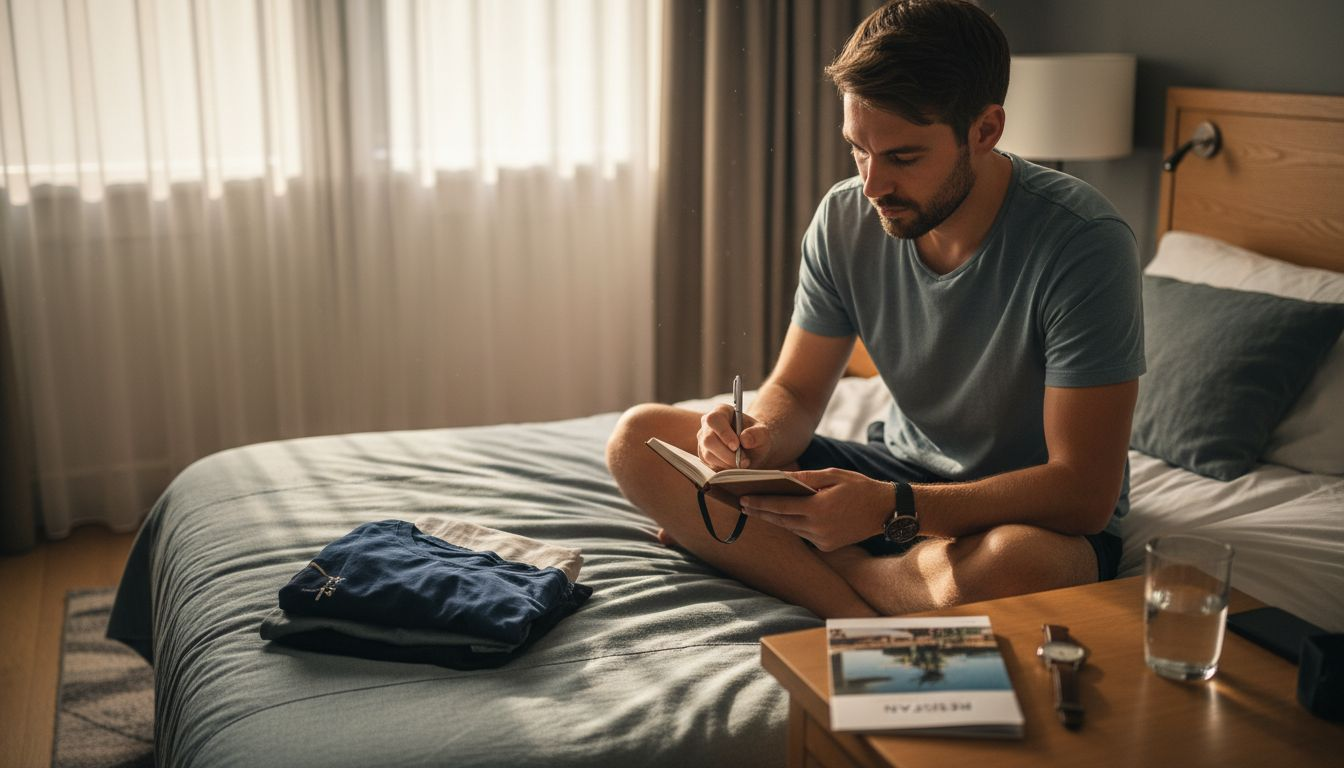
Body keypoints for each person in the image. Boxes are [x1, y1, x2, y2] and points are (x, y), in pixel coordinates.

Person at [604, 0, 1144, 619]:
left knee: (1020, 566)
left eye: (903, 158)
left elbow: (1083, 493)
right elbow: (798, 392)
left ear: (986, 131)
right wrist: (755, 439)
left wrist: (889, 510)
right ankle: (861, 608)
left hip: (1021, 512)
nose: (871, 185)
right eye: (858, 149)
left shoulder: (1083, 242)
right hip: (895, 476)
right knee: (637, 439)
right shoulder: (844, 218)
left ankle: (822, 564)